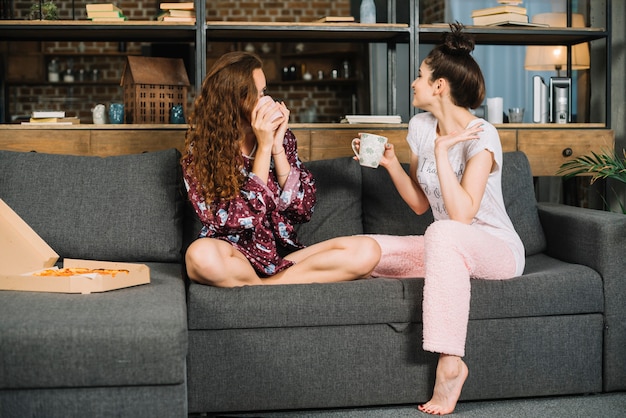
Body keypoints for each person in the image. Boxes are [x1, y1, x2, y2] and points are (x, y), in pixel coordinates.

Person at [354, 23, 525, 415]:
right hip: (446, 244)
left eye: (419, 76)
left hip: (495, 249)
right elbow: (418, 204)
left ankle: (450, 364)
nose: (413, 83)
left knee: (443, 232)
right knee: (375, 251)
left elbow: (462, 215)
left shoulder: (482, 134)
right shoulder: (419, 127)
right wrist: (391, 163)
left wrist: (444, 151)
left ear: (439, 86)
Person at [181, 51, 380, 287]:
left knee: (368, 250)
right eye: (259, 94)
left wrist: (277, 148)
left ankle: (263, 286)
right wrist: (263, 148)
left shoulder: (281, 140)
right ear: (236, 100)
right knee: (199, 256)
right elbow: (237, 220)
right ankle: (274, 283)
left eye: (265, 91)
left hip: (279, 257)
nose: (267, 100)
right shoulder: (201, 153)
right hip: (232, 256)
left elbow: (302, 210)